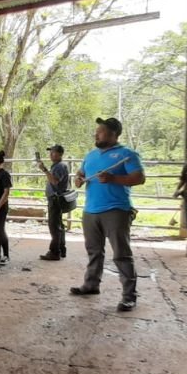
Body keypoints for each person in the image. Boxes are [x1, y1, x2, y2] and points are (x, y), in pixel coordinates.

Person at [70, 117, 146, 312]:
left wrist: (114, 178)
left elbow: (139, 178)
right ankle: (91, 284)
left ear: (114, 134)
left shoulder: (126, 154)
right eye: (97, 131)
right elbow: (80, 173)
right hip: (91, 210)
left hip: (116, 210)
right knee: (94, 251)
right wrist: (78, 179)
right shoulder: (91, 155)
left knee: (121, 253)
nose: (96, 134)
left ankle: (129, 296)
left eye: (101, 131)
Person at [37, 144, 71, 261]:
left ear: (60, 154)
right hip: (56, 198)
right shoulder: (57, 166)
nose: (51, 154)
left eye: (53, 152)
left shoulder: (59, 167)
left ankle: (54, 252)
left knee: (54, 226)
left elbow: (54, 181)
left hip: (55, 198)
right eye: (50, 152)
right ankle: (61, 249)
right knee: (58, 225)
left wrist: (44, 170)